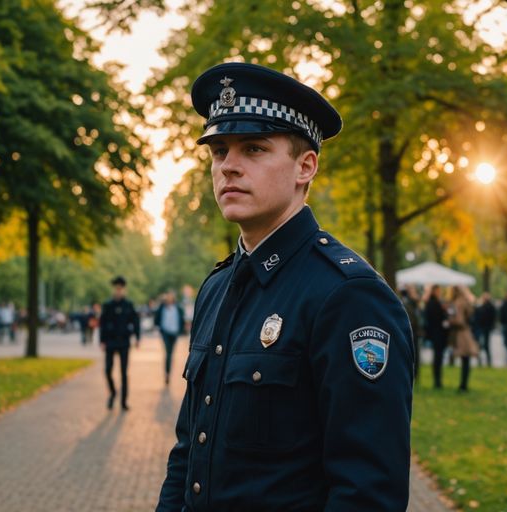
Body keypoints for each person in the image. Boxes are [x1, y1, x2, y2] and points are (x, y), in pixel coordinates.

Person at [157, 62, 413, 512]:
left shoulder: (347, 295)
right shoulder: (217, 286)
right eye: (218, 151)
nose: (229, 167)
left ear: (305, 167)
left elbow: (367, 492)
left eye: (253, 149)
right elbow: (187, 454)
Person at [100, 276, 140, 410]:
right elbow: (103, 324)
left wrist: (137, 337)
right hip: (110, 342)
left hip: (124, 342)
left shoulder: (128, 305)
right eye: (116, 288)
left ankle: (123, 401)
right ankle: (112, 393)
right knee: (107, 371)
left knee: (124, 373)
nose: (118, 291)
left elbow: (135, 321)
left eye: (120, 288)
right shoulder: (107, 305)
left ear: (123, 289)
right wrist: (102, 341)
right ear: (113, 289)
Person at [448, 285, 479, 393]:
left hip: (462, 333)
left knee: (465, 358)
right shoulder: (465, 301)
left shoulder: (458, 303)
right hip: (466, 332)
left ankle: (463, 385)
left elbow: (459, 320)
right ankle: (464, 384)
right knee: (466, 360)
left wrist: (450, 321)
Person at [155, 290, 185, 384]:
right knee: (168, 353)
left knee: (171, 354)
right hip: (165, 333)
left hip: (174, 333)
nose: (169, 298)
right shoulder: (162, 307)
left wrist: (181, 330)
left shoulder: (178, 308)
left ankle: (168, 372)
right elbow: (156, 318)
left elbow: (181, 319)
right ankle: (167, 374)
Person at [424, 285, 449, 389]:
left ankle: (438, 380)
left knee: (438, 357)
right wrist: (444, 311)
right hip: (437, 333)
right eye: (438, 291)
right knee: (438, 357)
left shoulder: (432, 303)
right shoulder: (433, 303)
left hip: (436, 334)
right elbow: (436, 319)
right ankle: (437, 381)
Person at [399, 285, 422, 382]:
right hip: (411, 334)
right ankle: (412, 376)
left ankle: (415, 376)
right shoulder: (406, 303)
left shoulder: (413, 303)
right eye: (413, 291)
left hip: (414, 333)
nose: (416, 293)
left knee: (415, 356)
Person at [471, 292, 497, 367]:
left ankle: (482, 361)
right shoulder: (490, 307)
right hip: (484, 328)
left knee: (483, 345)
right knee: (485, 345)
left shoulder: (483, 307)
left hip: (483, 328)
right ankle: (486, 361)